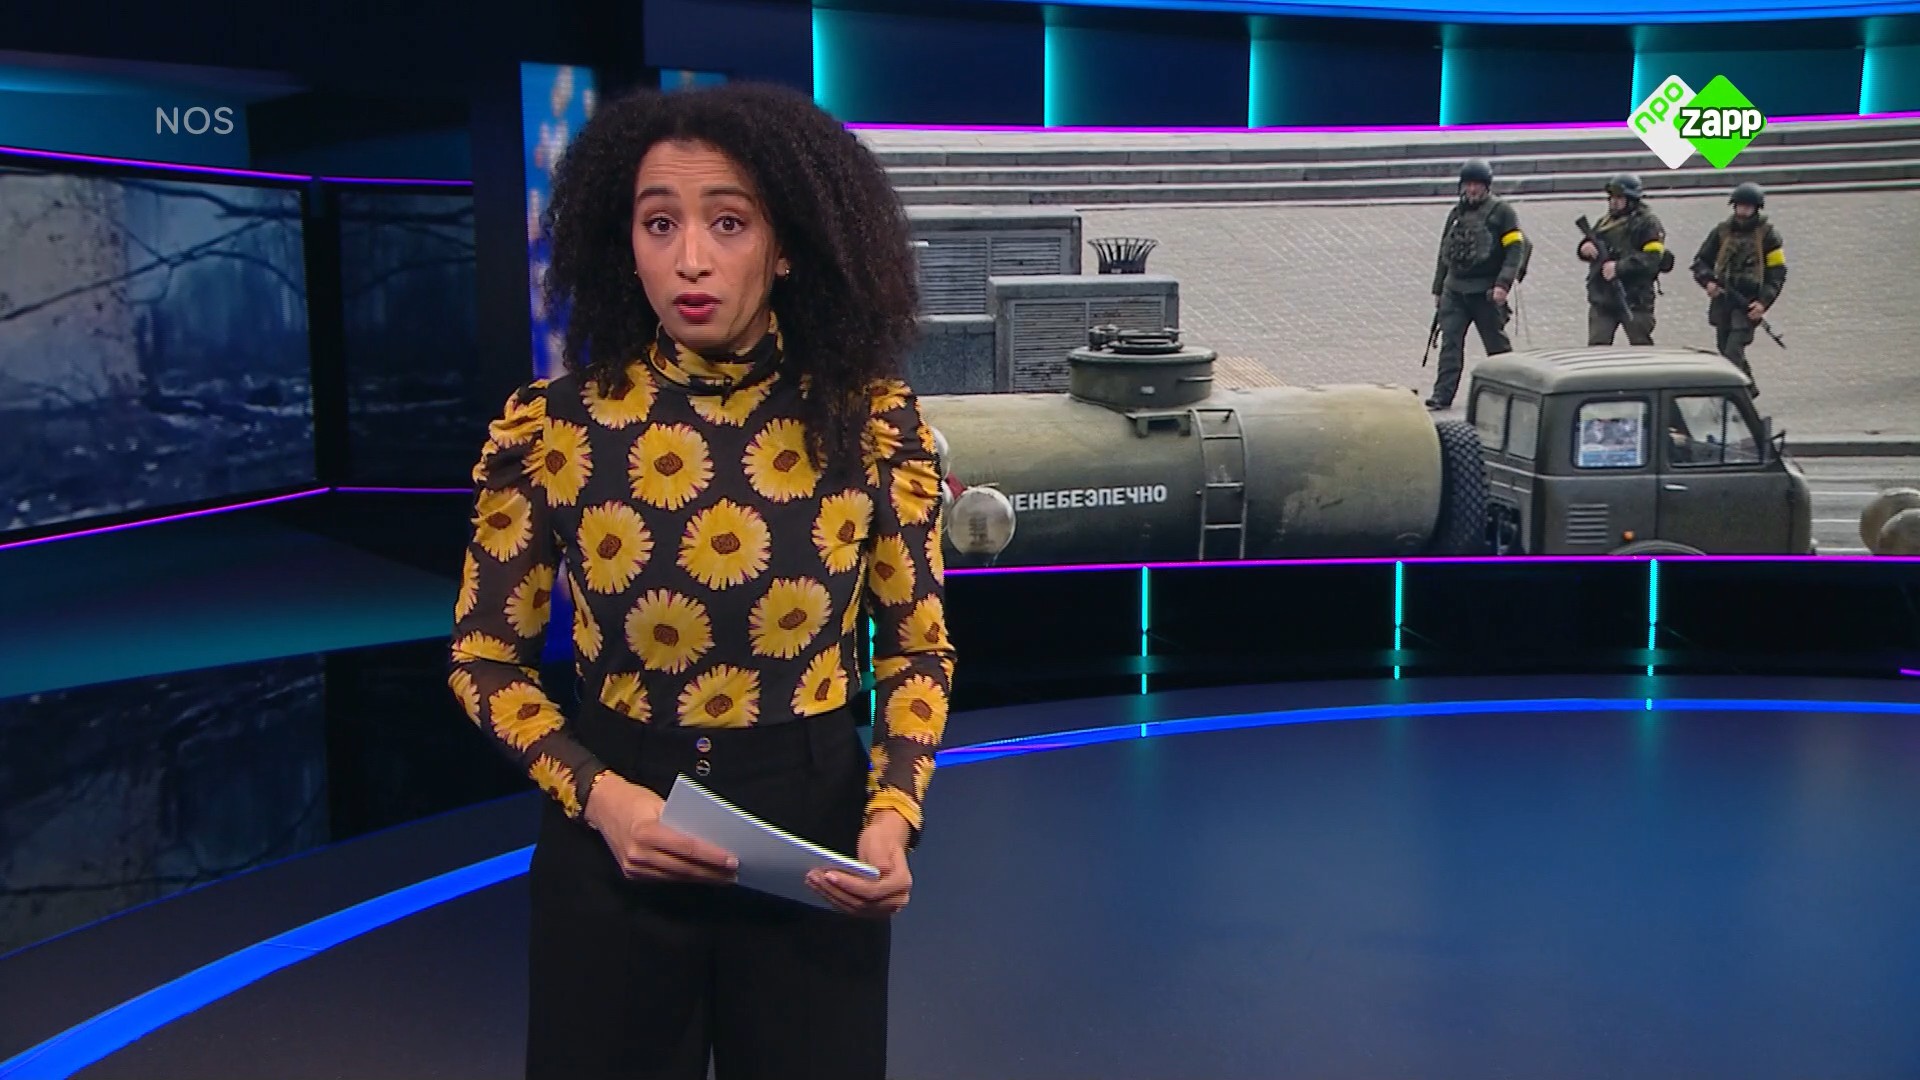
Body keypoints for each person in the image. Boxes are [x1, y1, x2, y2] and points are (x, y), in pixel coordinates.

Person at [446, 81, 954, 1080]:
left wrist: (893, 816)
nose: (689, 259)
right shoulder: (553, 429)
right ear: (622, 242)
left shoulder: (871, 426)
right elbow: (483, 661)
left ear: (787, 244)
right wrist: (602, 800)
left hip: (813, 840)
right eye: (659, 223)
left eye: (728, 222)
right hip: (612, 838)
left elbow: (916, 648)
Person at [1427, 158, 1526, 410]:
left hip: (1486, 292)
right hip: (1455, 291)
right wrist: (1438, 288)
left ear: (1486, 186)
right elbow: (1444, 252)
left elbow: (1515, 250)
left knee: (1496, 346)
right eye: (1468, 185)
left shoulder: (1502, 213)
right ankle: (1442, 394)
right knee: (1450, 344)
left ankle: (1512, 390)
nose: (1471, 190)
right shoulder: (1456, 214)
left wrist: (1503, 284)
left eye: (1477, 185)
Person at [1691, 181, 1787, 388]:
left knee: (1733, 352)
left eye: (1747, 207)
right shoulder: (1722, 231)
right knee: (1723, 347)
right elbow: (1700, 261)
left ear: (1756, 209)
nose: (1742, 211)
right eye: (1740, 206)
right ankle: (1748, 388)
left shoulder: (1768, 236)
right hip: (1723, 300)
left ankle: (1738, 393)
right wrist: (1708, 282)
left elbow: (1777, 274)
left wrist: (1763, 303)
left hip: (1747, 303)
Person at [1577, 173, 1670, 346]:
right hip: (1604, 299)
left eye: (1619, 198)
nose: (1614, 202)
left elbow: (1652, 258)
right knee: (1597, 347)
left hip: (1635, 299)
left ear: (1632, 199)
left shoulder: (1647, 224)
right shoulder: (1606, 222)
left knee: (1641, 346)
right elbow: (1593, 240)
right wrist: (1585, 248)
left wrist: (1619, 267)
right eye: (1612, 197)